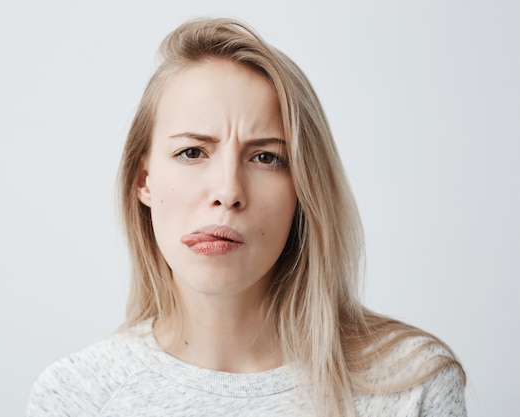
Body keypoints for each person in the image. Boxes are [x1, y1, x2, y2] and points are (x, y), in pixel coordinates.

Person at [27, 17, 466, 417]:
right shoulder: (78, 396)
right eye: (192, 152)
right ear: (144, 180)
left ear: (304, 187)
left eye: (265, 157)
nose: (228, 192)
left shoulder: (411, 386)